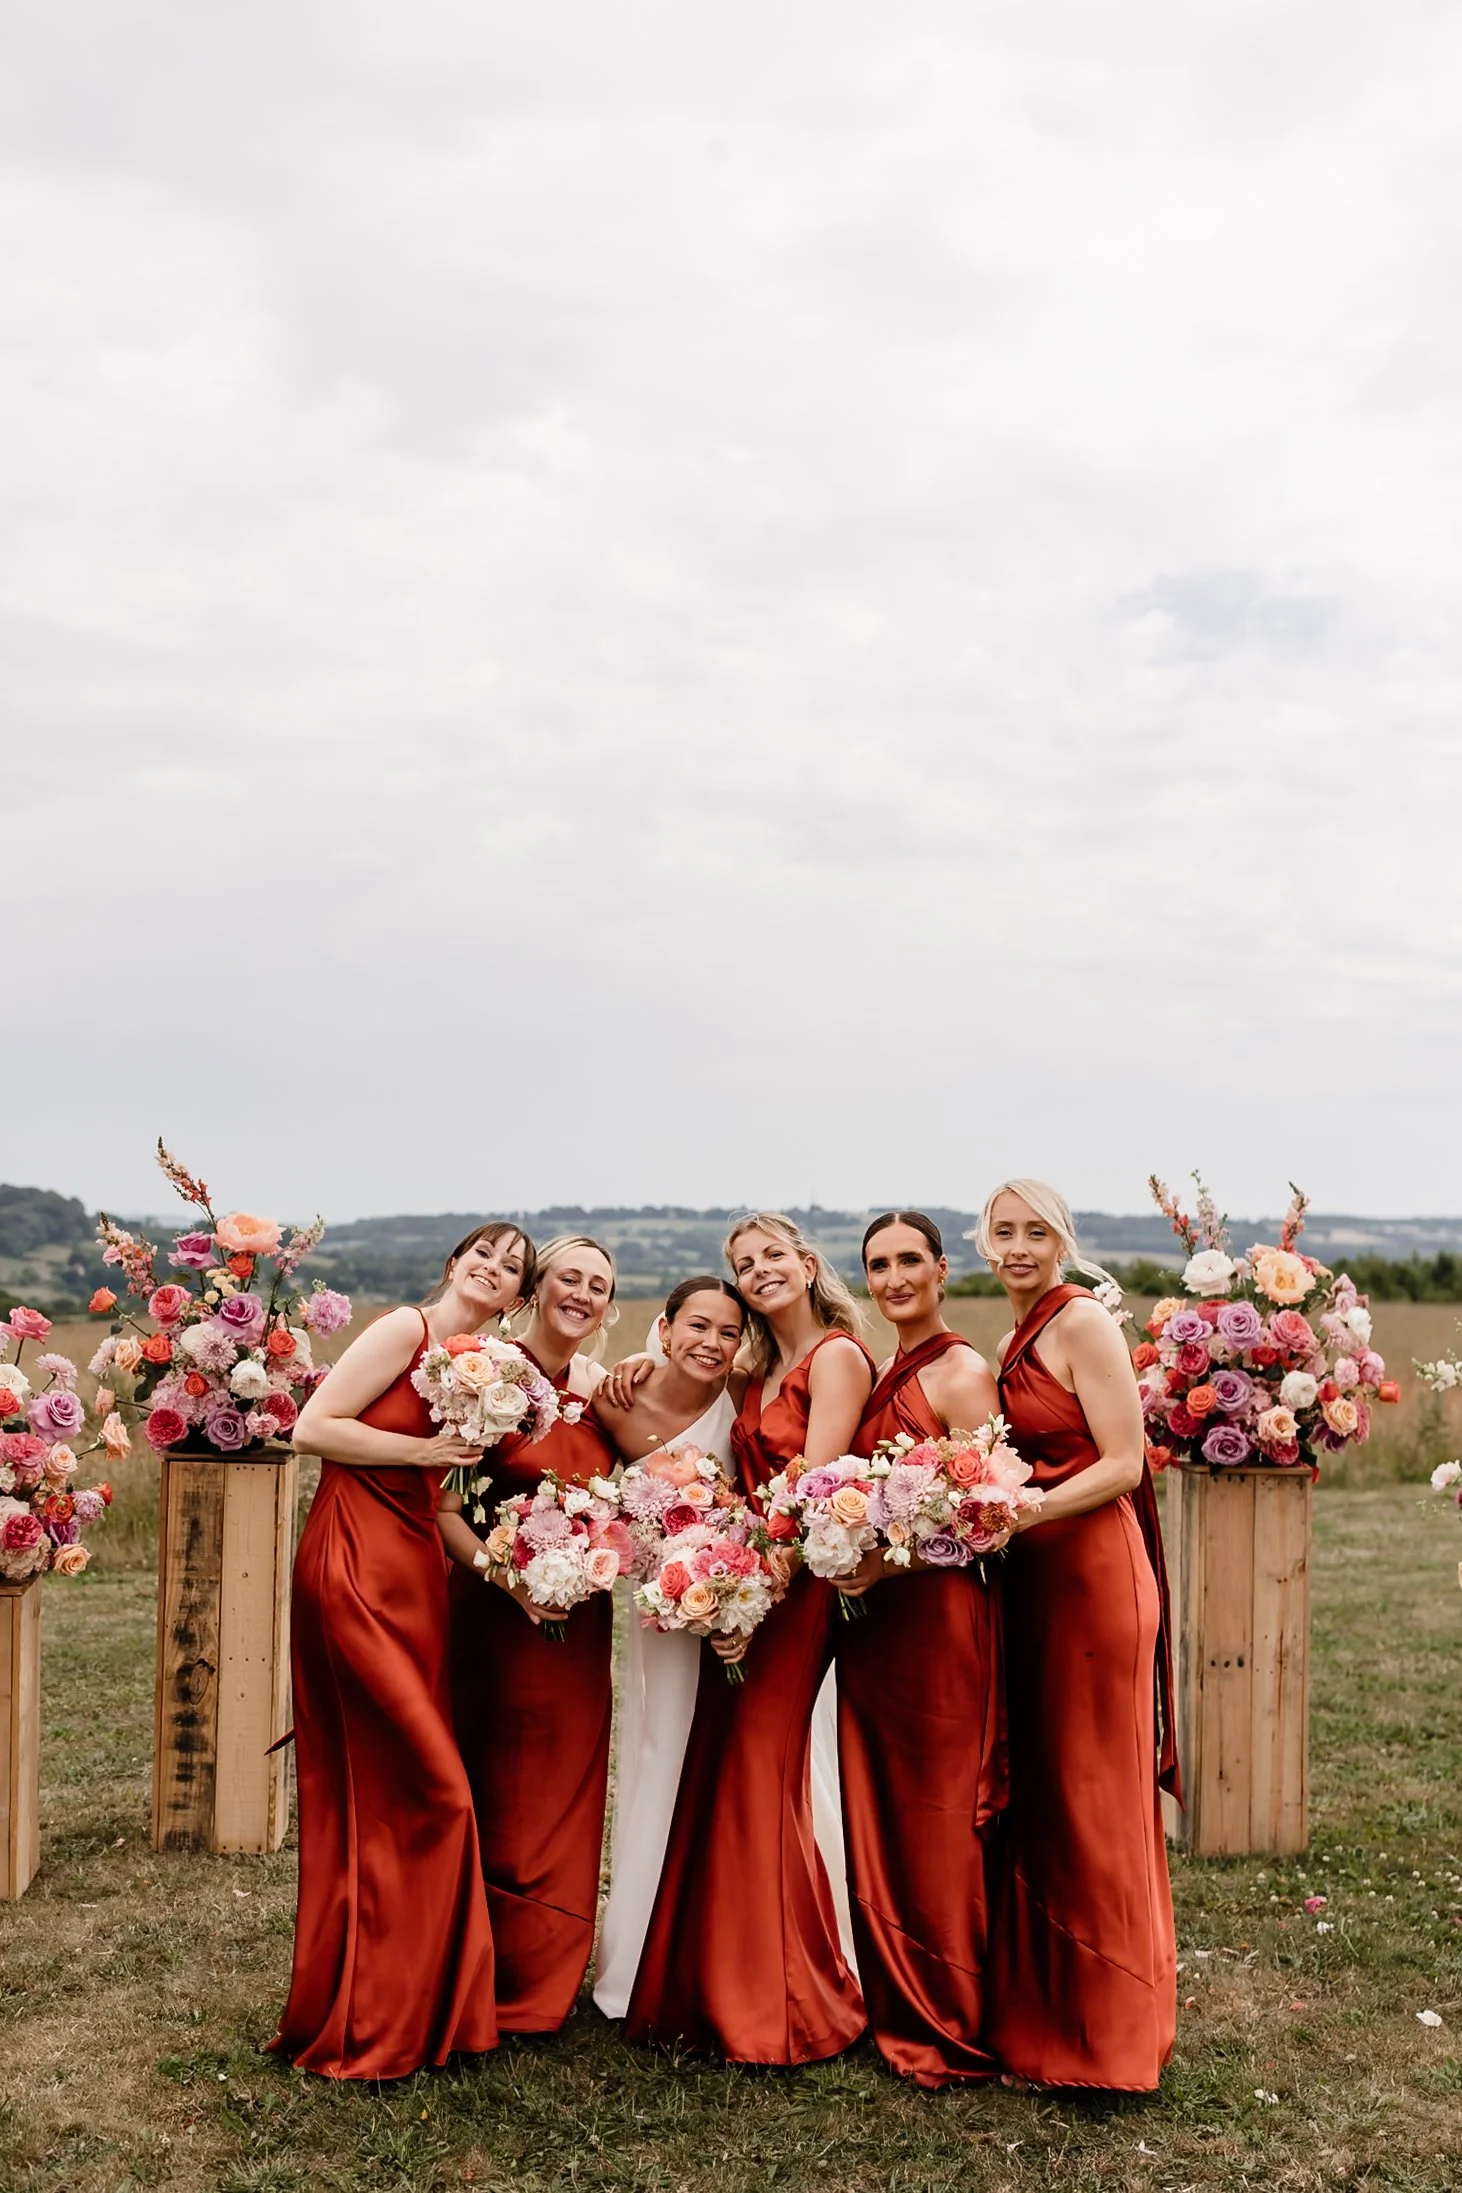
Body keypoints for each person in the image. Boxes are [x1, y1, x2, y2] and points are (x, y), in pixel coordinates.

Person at [271, 1221, 533, 2078]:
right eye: (485, 1252)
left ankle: (415, 2003)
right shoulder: (404, 1330)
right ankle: (382, 2006)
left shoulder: (484, 1367)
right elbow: (313, 1427)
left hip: (416, 1570)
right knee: (433, 1787)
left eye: (512, 1267)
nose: (494, 1268)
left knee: (390, 1789)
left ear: (515, 1297)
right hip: (351, 1561)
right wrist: (422, 1450)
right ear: (455, 1260)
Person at [626, 1212, 870, 2064]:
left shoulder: (836, 1356)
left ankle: (786, 2006)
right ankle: (705, 1985)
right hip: (741, 1591)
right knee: (722, 1772)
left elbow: (815, 1490)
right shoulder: (756, 1367)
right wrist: (721, 1595)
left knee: (761, 1778)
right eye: (742, 1262)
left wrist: (750, 1596)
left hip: (791, 1596)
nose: (758, 1270)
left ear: (806, 1263)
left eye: (772, 1256)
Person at [976, 1179, 1178, 2091]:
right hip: (1039, 1584)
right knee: (1053, 1791)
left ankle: (1113, 2035)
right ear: (982, 1243)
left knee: (1097, 1795)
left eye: (1035, 1231)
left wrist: (1020, 1514)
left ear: (1061, 1239)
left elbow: (1124, 1462)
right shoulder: (1012, 1334)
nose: (1018, 1246)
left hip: (1094, 1574)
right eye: (1002, 1231)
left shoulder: (1083, 1322)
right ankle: (1053, 2014)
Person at [831, 1211, 1007, 2088]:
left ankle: (954, 2016)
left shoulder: (963, 1372)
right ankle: (896, 1995)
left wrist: (884, 1566)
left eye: (910, 1260)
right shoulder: (873, 1372)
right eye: (878, 1264)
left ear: (941, 1268)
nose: (894, 1276)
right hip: (873, 1631)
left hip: (936, 1622)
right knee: (885, 1807)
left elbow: (988, 1517)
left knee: (940, 1819)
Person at [441, 1235, 620, 2035]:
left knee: (562, 1787)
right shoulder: (486, 1372)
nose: (581, 1293)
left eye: (598, 1286)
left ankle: (546, 1976)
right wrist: (508, 1582)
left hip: (579, 1626)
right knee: (488, 1781)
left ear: (610, 1307)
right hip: (490, 1609)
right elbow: (442, 1508)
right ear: (537, 1287)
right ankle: (476, 1964)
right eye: (568, 1278)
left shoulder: (609, 1391)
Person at [589, 1275, 747, 2019]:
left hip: (743, 1607)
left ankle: (732, 1941)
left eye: (728, 1331)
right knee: (662, 1750)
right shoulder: (621, 1397)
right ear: (664, 1325)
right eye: (698, 1326)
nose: (712, 1343)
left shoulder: (745, 1395)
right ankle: (644, 1949)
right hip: (660, 1614)